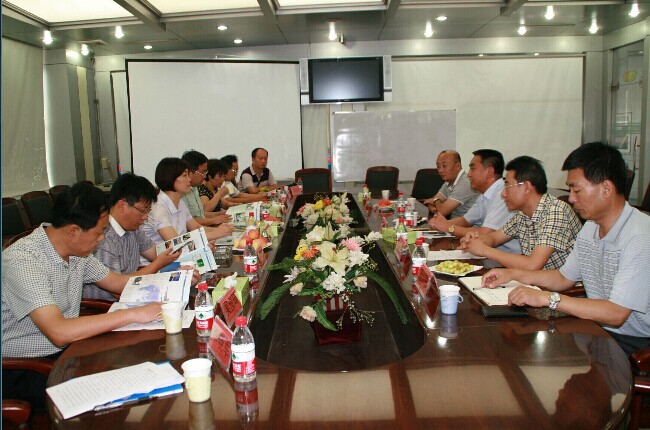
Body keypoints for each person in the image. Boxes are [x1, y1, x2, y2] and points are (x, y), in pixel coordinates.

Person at [2, 182, 162, 409]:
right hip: (24, 367)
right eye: (99, 232)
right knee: (110, 393)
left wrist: (174, 281)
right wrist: (133, 314)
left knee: (136, 367)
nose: (102, 239)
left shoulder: (77, 252)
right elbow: (59, 331)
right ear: (73, 231)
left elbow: (118, 283)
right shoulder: (23, 261)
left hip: (68, 352)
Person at [481, 142, 650, 356]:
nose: (571, 198)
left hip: (634, 340)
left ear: (606, 188)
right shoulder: (591, 227)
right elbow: (563, 278)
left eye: (576, 190)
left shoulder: (640, 237)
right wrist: (512, 274)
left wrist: (548, 298)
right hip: (598, 326)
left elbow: (616, 313)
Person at [83, 173, 199, 301]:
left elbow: (157, 252)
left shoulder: (133, 229)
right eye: (143, 211)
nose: (145, 217)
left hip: (134, 291)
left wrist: (195, 253)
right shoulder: (103, 239)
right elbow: (117, 291)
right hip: (110, 304)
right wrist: (162, 268)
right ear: (122, 206)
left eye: (148, 212)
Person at [461, 155, 581, 270]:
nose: (503, 193)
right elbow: (494, 238)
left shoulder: (555, 211)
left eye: (507, 186)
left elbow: (532, 265)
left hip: (565, 284)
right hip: (535, 279)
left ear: (526, 187)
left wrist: (484, 250)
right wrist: (474, 241)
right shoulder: (523, 215)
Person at [428, 149, 521, 255]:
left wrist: (448, 227)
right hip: (488, 252)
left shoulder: (502, 195)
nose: (468, 174)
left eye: (472, 169)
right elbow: (465, 220)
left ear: (489, 172)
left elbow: (485, 233)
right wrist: (440, 223)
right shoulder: (485, 194)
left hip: (505, 256)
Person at [141, 157, 233, 249]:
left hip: (180, 254)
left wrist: (219, 230)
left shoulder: (180, 202)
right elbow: (175, 243)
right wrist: (215, 234)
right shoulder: (158, 208)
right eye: (185, 175)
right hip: (162, 256)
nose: (189, 179)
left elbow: (196, 227)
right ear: (170, 178)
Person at [423, 150, 479, 218]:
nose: (440, 170)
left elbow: (442, 211)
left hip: (466, 224)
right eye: (438, 166)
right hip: (453, 222)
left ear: (457, 166)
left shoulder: (465, 183)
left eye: (444, 166)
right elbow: (432, 203)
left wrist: (435, 201)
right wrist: (435, 207)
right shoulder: (448, 181)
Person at [181, 150, 231, 226]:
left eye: (205, 172)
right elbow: (188, 221)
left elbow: (200, 214)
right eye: (202, 172)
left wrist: (218, 214)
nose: (204, 176)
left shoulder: (195, 188)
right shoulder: (181, 192)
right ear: (190, 171)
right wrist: (213, 220)